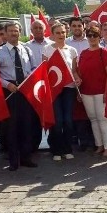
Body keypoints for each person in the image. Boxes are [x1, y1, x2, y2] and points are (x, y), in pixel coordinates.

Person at [0, 21, 38, 171]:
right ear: (5, 33)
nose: (13, 33)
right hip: (9, 90)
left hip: (25, 89)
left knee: (26, 124)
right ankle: (13, 160)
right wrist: (7, 84)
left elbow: (32, 68)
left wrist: (30, 78)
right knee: (11, 127)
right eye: (10, 31)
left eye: (16, 31)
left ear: (20, 32)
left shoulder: (26, 49)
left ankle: (26, 157)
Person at [42, 22, 82, 161]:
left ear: (66, 33)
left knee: (68, 120)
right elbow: (44, 71)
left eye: (63, 32)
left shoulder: (72, 50)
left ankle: (68, 148)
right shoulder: (47, 49)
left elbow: (74, 71)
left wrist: (77, 79)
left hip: (69, 88)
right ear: (52, 35)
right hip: (53, 89)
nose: (61, 35)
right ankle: (56, 150)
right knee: (57, 121)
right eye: (57, 33)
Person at [78, 26, 107, 157]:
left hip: (101, 91)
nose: (92, 38)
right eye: (89, 35)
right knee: (93, 119)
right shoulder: (83, 53)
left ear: (99, 37)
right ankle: (99, 145)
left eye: (95, 35)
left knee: (103, 119)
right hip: (86, 91)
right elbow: (79, 73)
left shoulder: (104, 52)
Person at [26, 19, 54, 150]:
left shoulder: (53, 44)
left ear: (45, 30)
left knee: (52, 113)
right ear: (31, 31)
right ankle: (34, 145)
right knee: (34, 116)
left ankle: (53, 143)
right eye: (35, 28)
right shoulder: (25, 46)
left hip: (52, 85)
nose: (38, 30)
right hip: (34, 85)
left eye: (40, 28)